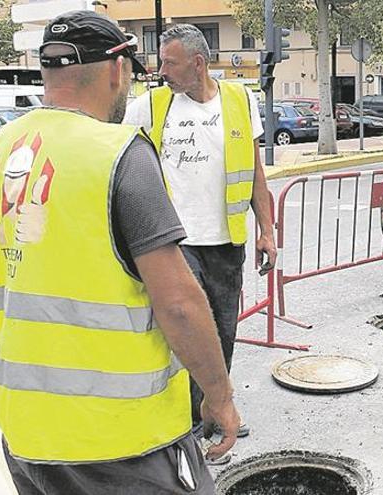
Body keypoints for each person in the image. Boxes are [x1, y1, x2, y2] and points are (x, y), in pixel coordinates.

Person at [0, 11, 239, 493]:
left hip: (27, 432)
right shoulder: (119, 155)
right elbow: (177, 303)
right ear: (116, 70)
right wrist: (219, 395)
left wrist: (16, 294)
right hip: (121, 440)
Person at [123, 24, 276, 450]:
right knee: (187, 331)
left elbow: (255, 172)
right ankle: (189, 424)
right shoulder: (149, 106)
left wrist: (267, 230)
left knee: (222, 332)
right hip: (173, 243)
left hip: (225, 243)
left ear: (198, 62)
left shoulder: (240, 100)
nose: (161, 70)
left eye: (169, 62)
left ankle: (215, 407)